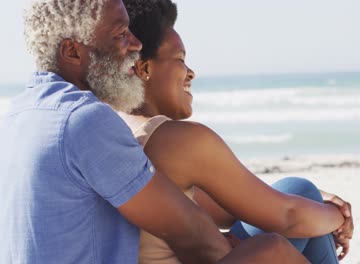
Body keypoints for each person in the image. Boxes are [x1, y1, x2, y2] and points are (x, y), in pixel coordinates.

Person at [0, 0, 311, 263]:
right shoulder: (82, 120)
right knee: (273, 248)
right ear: (72, 52)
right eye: (120, 34)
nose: (135, 44)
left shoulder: (18, 115)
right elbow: (194, 237)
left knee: (293, 199)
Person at [119, 0, 354, 263]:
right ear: (143, 68)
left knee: (301, 197)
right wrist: (338, 217)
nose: (191, 73)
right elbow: (287, 218)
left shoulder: (118, 130)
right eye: (180, 59)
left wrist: (315, 204)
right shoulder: (176, 140)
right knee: (295, 209)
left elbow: (228, 210)